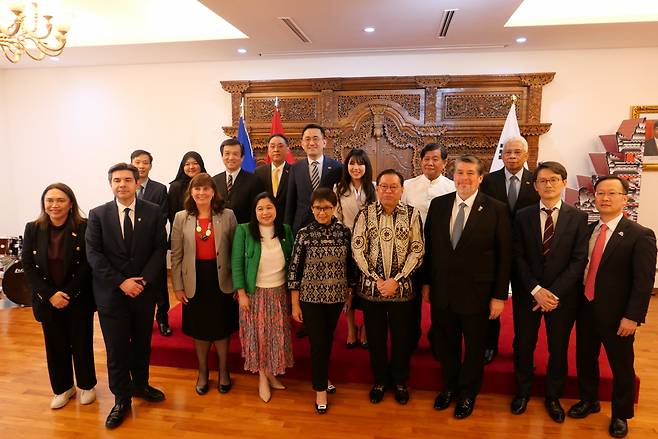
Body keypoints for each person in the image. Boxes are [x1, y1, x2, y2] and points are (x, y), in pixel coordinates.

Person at [422, 155, 511, 419]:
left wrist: (499, 296)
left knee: (473, 349)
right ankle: (449, 388)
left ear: (481, 178)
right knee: (446, 345)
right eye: (460, 173)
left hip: (478, 294)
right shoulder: (438, 205)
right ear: (453, 176)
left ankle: (468, 394)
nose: (464, 178)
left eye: (471, 173)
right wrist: (427, 283)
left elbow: (504, 256)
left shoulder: (496, 209)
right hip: (443, 292)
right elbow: (431, 250)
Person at [567, 176, 656, 439]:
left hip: (618, 315)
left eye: (612, 193)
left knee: (621, 365)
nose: (605, 198)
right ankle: (588, 400)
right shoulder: (588, 230)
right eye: (600, 193)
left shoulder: (640, 235)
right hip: (586, 307)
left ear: (624, 199)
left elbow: (643, 282)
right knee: (585, 358)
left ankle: (620, 414)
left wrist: (632, 317)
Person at [86, 163, 167, 429]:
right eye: (117, 180)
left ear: (136, 182)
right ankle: (122, 398)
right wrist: (122, 283)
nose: (122, 184)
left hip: (143, 292)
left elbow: (159, 249)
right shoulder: (98, 215)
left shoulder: (153, 212)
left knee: (142, 343)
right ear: (111, 184)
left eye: (127, 180)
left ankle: (141, 385)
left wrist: (142, 280)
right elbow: (94, 256)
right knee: (117, 349)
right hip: (112, 294)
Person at [510, 161, 589, 422]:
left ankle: (553, 396)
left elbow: (579, 261)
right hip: (527, 295)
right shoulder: (522, 215)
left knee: (558, 347)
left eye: (554, 179)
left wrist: (552, 293)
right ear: (535, 185)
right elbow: (517, 257)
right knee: (523, 345)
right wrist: (535, 290)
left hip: (561, 298)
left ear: (564, 183)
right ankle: (522, 392)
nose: (548, 184)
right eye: (542, 180)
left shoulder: (578, 218)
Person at [352, 169, 424, 406]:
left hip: (402, 292)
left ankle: (400, 381)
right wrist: (376, 280)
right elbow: (357, 248)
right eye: (383, 186)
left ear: (402, 190)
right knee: (376, 338)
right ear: (377, 188)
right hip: (372, 291)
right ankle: (380, 381)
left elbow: (417, 249)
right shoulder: (365, 213)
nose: (388, 191)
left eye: (394, 187)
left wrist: (397, 280)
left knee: (402, 339)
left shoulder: (413, 215)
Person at [22, 183, 96, 410]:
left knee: (81, 343)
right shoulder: (33, 228)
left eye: (60, 200)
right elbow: (28, 265)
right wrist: (50, 295)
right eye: (50, 200)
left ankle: (86, 385)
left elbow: (87, 264)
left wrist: (68, 293)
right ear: (44, 204)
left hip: (78, 296)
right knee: (55, 346)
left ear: (70, 203)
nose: (54, 205)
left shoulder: (84, 227)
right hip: (47, 299)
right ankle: (63, 388)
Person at [288, 188, 356, 414]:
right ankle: (320, 391)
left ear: (334, 207)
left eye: (326, 207)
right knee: (318, 343)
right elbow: (294, 270)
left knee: (326, 341)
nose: (322, 212)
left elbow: (349, 267)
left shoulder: (344, 232)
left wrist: (348, 294)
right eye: (317, 208)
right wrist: (295, 304)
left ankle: (322, 377)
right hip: (311, 298)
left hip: (335, 298)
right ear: (311, 208)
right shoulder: (304, 234)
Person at [170, 173, 238, 397]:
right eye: (197, 189)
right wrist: (177, 286)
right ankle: (202, 372)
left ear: (213, 192)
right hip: (194, 280)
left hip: (221, 280)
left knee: (221, 328)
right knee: (199, 329)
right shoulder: (181, 217)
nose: (201, 193)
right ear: (191, 192)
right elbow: (177, 255)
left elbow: (236, 253)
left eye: (206, 189)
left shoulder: (227, 215)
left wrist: (238, 285)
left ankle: (224, 371)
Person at [480, 136, 539, 364]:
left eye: (517, 152)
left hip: (526, 253)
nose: (512, 156)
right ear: (501, 155)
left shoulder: (536, 181)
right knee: (492, 300)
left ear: (526, 155)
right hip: (495, 252)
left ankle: (521, 349)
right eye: (508, 152)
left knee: (524, 305)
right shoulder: (489, 181)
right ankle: (489, 345)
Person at [232, 192, 294, 403]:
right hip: (254, 293)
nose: (265, 212)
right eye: (260, 208)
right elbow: (237, 264)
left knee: (275, 335)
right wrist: (241, 294)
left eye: (269, 207)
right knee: (258, 336)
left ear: (276, 210)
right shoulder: (243, 231)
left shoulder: (285, 230)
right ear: (254, 211)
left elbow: (292, 262)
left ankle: (271, 372)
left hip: (278, 292)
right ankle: (262, 377)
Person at [401, 143, 455, 350]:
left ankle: (437, 337)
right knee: (411, 298)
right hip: (411, 252)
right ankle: (411, 336)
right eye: (426, 159)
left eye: (435, 159)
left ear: (444, 163)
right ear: (420, 161)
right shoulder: (408, 185)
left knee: (440, 299)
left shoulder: (452, 187)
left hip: (440, 254)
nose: (430, 163)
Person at [334, 148, 377, 349]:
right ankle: (351, 328)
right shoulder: (338, 189)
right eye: (352, 163)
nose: (356, 167)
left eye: (360, 163)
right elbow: (337, 219)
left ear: (366, 166)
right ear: (347, 166)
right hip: (347, 243)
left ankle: (367, 329)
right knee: (349, 290)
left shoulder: (374, 188)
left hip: (371, 246)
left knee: (370, 288)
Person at [130, 149, 172, 336]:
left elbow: (162, 217)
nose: (141, 166)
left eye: (145, 162)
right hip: (130, 248)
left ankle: (163, 319)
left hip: (154, 245)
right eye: (138, 162)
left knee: (159, 284)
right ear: (131, 164)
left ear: (150, 165)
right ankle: (138, 321)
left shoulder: (159, 189)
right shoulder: (126, 186)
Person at [285, 123, 342, 235]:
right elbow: (290, 202)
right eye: (307, 139)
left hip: (329, 226)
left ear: (324, 142)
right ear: (302, 143)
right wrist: (287, 229)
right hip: (302, 227)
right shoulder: (295, 168)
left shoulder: (338, 167)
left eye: (315, 139)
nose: (311, 143)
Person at [213, 137, 265, 224]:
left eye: (235, 154)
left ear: (242, 158)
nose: (231, 158)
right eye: (227, 154)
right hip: (220, 231)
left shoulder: (254, 181)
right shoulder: (214, 181)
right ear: (222, 156)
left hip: (245, 231)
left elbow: (257, 210)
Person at [167, 151, 207, 230]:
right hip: (181, 229)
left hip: (205, 228)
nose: (191, 167)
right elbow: (172, 214)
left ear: (201, 165)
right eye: (187, 164)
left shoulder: (208, 184)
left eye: (195, 163)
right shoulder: (175, 187)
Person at [254, 134, 292, 215]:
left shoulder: (294, 171)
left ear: (288, 150)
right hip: (265, 218)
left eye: (280, 146)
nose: (276, 150)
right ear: (268, 150)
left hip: (287, 220)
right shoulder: (259, 172)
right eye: (272, 146)